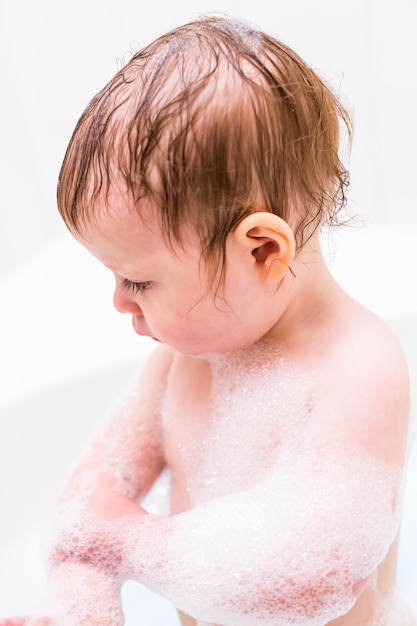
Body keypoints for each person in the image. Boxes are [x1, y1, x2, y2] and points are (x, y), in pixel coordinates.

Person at [1, 14, 415, 626]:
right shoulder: (186, 349)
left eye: (139, 280)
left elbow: (314, 572)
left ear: (263, 251)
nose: (119, 301)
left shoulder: (359, 369)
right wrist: (78, 592)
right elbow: (100, 481)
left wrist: (128, 542)